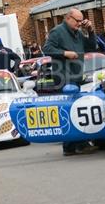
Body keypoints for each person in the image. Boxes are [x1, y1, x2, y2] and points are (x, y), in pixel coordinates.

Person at [42, 8, 98, 156]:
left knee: (74, 110)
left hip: (76, 76)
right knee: (69, 110)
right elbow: (46, 48)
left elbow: (92, 47)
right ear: (68, 18)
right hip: (64, 77)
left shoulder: (78, 33)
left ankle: (73, 145)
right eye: (77, 21)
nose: (79, 24)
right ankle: (75, 145)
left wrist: (91, 31)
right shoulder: (58, 31)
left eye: (81, 21)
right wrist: (65, 53)